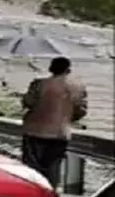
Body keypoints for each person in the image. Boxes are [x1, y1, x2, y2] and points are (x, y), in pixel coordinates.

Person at [21, 57, 88, 188]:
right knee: (53, 166)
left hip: (34, 131)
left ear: (51, 68)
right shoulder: (78, 87)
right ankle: (50, 194)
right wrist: (66, 118)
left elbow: (28, 102)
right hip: (60, 133)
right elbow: (81, 110)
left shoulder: (39, 84)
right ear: (68, 69)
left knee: (32, 166)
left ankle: (30, 193)